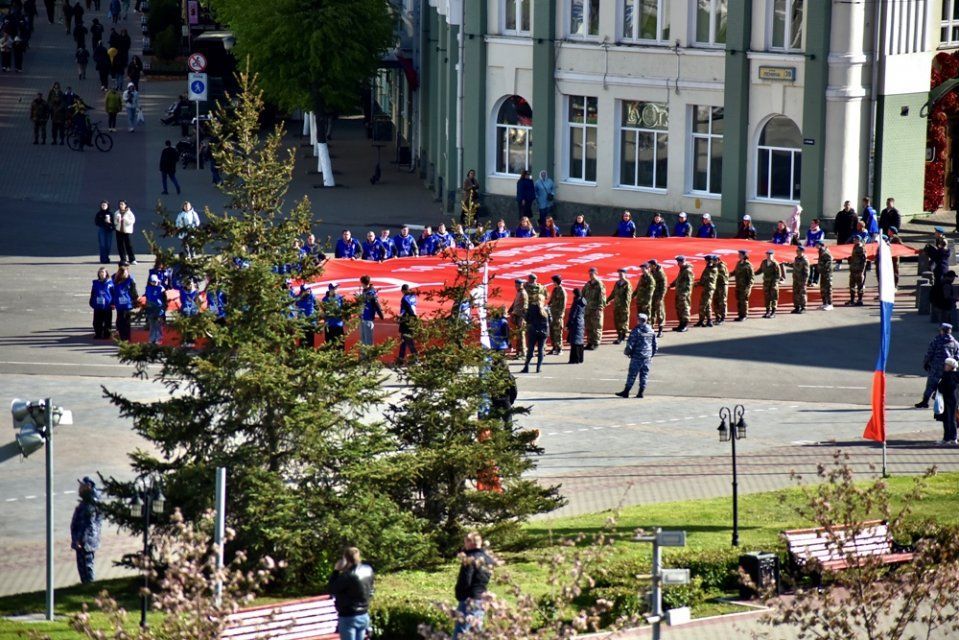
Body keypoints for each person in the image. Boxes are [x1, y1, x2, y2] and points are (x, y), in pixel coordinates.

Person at [328, 547, 374, 640]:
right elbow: (371, 589)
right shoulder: (368, 570)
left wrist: (336, 571)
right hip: (364, 614)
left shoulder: (348, 575)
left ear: (346, 559)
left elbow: (332, 588)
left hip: (349, 616)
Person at [452, 532, 493, 639]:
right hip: (482, 598)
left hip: (469, 599)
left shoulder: (470, 559)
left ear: (470, 542)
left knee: (461, 632)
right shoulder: (488, 558)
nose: (464, 545)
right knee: (476, 633)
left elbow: (465, 580)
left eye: (465, 542)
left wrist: (459, 595)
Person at [917, 324, 959, 408]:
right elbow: (957, 356)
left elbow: (930, 353)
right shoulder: (955, 343)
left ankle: (925, 401)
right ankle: (945, 401)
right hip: (949, 367)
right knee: (947, 384)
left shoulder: (936, 340)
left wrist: (926, 363)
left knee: (931, 383)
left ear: (942, 330)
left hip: (936, 366)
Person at [615, 313, 657, 398]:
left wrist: (628, 353)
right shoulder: (651, 331)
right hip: (647, 356)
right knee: (644, 374)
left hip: (637, 356)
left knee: (632, 374)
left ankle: (626, 391)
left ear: (639, 320)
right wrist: (651, 354)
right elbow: (655, 345)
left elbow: (631, 344)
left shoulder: (637, 330)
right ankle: (641, 392)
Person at [70, 477, 102, 584]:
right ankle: (86, 585)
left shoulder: (90, 504)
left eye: (81, 486)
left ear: (88, 487)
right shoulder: (86, 502)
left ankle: (89, 587)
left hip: (86, 542)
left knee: (87, 567)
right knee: (82, 567)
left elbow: (87, 524)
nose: (79, 489)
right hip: (83, 541)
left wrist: (79, 540)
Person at [605, 268, 632, 344]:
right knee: (617, 321)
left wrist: (626, 307)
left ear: (625, 274)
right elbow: (613, 293)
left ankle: (622, 336)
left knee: (623, 322)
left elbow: (628, 297)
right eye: (619, 274)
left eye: (621, 274)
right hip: (617, 306)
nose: (620, 275)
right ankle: (619, 335)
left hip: (623, 307)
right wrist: (607, 300)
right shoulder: (617, 283)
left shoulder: (627, 284)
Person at [582, 267, 607, 349]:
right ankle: (589, 342)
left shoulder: (599, 284)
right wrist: (582, 305)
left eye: (592, 273)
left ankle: (596, 343)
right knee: (588, 326)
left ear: (596, 273)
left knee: (596, 326)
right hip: (588, 309)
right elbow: (583, 295)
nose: (590, 275)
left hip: (595, 309)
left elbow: (602, 297)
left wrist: (600, 308)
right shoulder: (588, 284)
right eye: (589, 273)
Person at [937, 358, 959, 446]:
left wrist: (940, 387)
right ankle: (948, 438)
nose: (944, 366)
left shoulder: (950, 376)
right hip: (950, 400)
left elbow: (945, 388)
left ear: (951, 366)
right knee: (948, 419)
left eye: (946, 365)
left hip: (950, 400)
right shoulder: (952, 375)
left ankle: (952, 438)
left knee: (950, 420)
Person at [521, 304, 549, 374]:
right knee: (541, 350)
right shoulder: (546, 309)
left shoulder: (531, 309)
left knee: (530, 349)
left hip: (533, 331)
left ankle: (526, 367)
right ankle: (538, 368)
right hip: (543, 332)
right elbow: (550, 320)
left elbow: (526, 319)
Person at [112, 262, 137, 340]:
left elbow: (133, 291)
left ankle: (127, 337)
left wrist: (135, 300)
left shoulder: (130, 279)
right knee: (120, 320)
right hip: (119, 303)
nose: (126, 272)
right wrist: (112, 302)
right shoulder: (114, 278)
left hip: (127, 304)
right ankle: (121, 335)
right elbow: (112, 291)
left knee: (126, 321)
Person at [394, 284, 418, 365]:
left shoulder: (404, 299)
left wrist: (400, 317)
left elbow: (406, 310)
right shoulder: (413, 296)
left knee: (407, 340)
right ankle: (401, 358)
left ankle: (415, 358)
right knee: (404, 340)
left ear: (403, 290)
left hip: (406, 321)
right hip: (412, 321)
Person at [358, 275, 383, 347]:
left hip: (368, 319)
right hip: (362, 318)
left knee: (368, 341)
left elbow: (376, 304)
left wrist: (381, 314)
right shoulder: (365, 291)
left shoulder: (371, 293)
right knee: (363, 340)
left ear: (362, 283)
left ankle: (369, 357)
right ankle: (363, 357)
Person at [89, 267, 114, 339]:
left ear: (106, 273)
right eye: (100, 272)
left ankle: (107, 334)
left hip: (107, 305)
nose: (101, 274)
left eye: (103, 272)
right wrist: (91, 302)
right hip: (98, 305)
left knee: (107, 322)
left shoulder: (110, 283)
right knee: (97, 321)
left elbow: (113, 293)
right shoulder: (96, 283)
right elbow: (93, 293)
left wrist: (113, 303)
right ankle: (98, 334)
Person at [671, 256, 694, 332]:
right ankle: (681, 324)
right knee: (679, 308)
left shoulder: (687, 271)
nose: (678, 263)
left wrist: (685, 294)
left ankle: (685, 325)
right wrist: (672, 284)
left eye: (679, 262)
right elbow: (679, 279)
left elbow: (689, 284)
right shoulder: (682, 269)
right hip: (679, 292)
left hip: (684, 294)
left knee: (685, 308)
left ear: (683, 261)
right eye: (678, 262)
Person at [695, 255, 717, 328]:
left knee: (704, 304)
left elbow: (706, 278)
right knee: (707, 304)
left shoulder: (711, 268)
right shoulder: (709, 267)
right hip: (707, 288)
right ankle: (707, 320)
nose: (705, 262)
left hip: (709, 288)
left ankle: (705, 320)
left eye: (706, 260)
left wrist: (698, 283)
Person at [144, 273, 166, 343]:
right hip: (150, 308)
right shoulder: (148, 288)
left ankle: (159, 338)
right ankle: (152, 338)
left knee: (158, 324)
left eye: (155, 281)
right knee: (152, 324)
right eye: (152, 282)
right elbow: (147, 297)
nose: (154, 283)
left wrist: (163, 307)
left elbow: (164, 298)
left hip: (159, 308)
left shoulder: (161, 288)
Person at [733, 250, 754, 321]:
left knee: (744, 301)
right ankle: (740, 315)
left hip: (745, 286)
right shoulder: (739, 263)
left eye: (740, 254)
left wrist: (749, 287)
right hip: (738, 285)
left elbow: (751, 278)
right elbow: (735, 272)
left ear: (744, 255)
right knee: (739, 300)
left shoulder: (748, 265)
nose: (738, 255)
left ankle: (744, 315)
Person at [509, 279, 528, 358]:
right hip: (517, 316)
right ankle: (518, 351)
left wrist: (516, 313)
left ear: (521, 285)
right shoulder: (519, 292)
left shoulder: (523, 293)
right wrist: (511, 310)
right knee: (518, 335)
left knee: (521, 335)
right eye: (516, 285)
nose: (516, 287)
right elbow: (515, 303)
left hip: (521, 317)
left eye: (518, 285)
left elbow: (525, 307)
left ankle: (523, 352)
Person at [547, 275, 566, 355]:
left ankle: (559, 348)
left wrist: (561, 315)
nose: (553, 283)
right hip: (552, 314)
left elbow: (563, 305)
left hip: (558, 315)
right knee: (552, 332)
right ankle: (554, 347)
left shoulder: (562, 291)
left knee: (558, 332)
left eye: (553, 281)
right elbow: (551, 301)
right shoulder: (555, 290)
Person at [566, 288, 586, 364]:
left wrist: (568, 324)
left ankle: (574, 359)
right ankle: (580, 358)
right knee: (580, 341)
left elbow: (573, 314)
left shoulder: (576, 302)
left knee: (574, 342)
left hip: (575, 323)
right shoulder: (582, 301)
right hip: (581, 322)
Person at [846, 235, 867, 306]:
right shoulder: (855, 247)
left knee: (859, 285)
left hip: (858, 270)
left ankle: (860, 300)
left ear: (859, 240)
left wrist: (862, 270)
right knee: (851, 285)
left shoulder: (861, 248)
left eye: (856, 239)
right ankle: (852, 300)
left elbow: (864, 260)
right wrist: (850, 259)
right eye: (854, 239)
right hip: (853, 269)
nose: (854, 240)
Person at [113, 200, 136, 264]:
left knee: (128, 245)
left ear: (125, 205)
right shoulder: (117, 212)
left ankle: (132, 259)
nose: (121, 205)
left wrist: (125, 219)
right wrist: (117, 220)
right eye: (120, 204)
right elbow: (114, 222)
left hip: (126, 231)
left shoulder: (129, 213)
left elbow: (132, 221)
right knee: (120, 246)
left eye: (122, 204)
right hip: (119, 231)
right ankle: (123, 259)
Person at [804, 219, 825, 285]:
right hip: (809, 251)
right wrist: (804, 248)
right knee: (810, 266)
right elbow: (806, 241)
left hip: (816, 252)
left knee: (816, 267)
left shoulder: (821, 232)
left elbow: (820, 241)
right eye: (811, 223)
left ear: (817, 224)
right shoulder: (809, 231)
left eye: (813, 223)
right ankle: (810, 280)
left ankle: (815, 281)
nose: (811, 225)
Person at [649, 260, 667, 337]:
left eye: (650, 265)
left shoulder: (660, 273)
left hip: (658, 295)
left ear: (654, 265)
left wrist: (661, 297)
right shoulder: (652, 271)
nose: (649, 267)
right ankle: (651, 328)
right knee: (652, 312)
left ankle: (660, 330)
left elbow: (664, 286)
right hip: (652, 295)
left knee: (660, 313)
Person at [791, 245, 810, 314]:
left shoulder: (805, 260)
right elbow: (794, 265)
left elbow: (807, 272)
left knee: (802, 293)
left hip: (802, 280)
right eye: (796, 251)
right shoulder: (796, 258)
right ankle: (797, 307)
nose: (797, 252)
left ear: (802, 251)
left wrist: (805, 281)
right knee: (795, 293)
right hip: (796, 279)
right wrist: (786, 263)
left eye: (798, 251)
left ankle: (803, 307)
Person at [817, 242, 835, 310]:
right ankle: (825, 303)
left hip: (827, 273)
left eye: (817, 244)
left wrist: (825, 268)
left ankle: (830, 304)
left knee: (828, 289)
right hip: (823, 273)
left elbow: (830, 260)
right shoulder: (821, 251)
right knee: (823, 288)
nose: (816, 245)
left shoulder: (825, 252)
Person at [712, 255, 729, 325]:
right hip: (716, 286)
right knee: (715, 301)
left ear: (717, 260)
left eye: (713, 260)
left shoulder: (721, 266)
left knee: (722, 301)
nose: (712, 262)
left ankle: (723, 317)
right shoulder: (714, 266)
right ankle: (717, 317)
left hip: (722, 286)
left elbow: (721, 277)